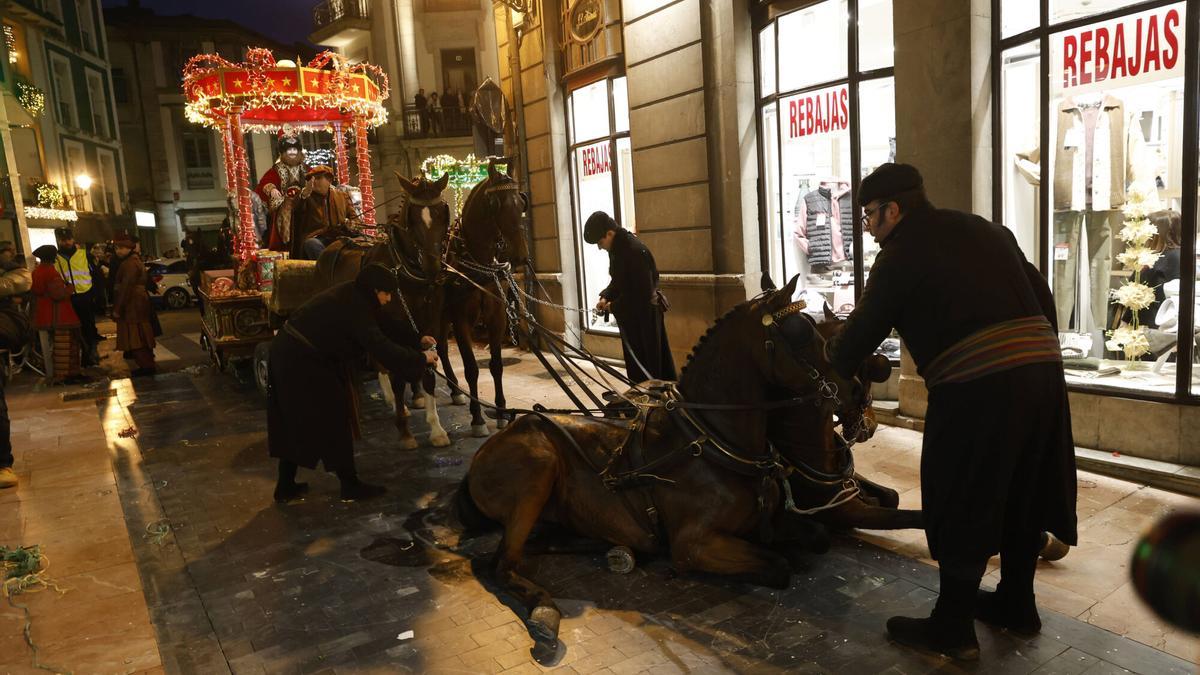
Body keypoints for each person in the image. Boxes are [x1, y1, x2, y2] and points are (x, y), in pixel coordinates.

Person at [824, 163, 1077, 661]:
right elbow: (1041, 298)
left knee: (965, 496)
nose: (870, 230)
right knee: (1022, 490)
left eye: (871, 217)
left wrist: (832, 363)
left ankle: (953, 629)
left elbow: (858, 337)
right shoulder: (988, 230)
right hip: (1044, 380)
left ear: (894, 209)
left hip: (977, 389)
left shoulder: (900, 254)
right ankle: (1016, 604)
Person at [267, 263, 437, 503]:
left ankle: (285, 486)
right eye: (387, 293)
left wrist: (417, 339)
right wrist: (421, 358)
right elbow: (381, 346)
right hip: (299, 360)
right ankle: (350, 485)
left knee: (300, 421)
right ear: (375, 290)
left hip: (298, 355)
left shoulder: (358, 295)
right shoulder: (355, 305)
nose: (389, 299)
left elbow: (385, 324)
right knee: (333, 417)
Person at [584, 211, 676, 381]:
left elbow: (641, 293)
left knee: (651, 366)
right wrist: (606, 297)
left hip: (646, 317)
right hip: (633, 318)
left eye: (600, 242)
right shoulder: (618, 249)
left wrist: (614, 306)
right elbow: (618, 281)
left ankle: (657, 402)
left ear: (610, 233)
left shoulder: (633, 250)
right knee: (636, 364)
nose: (599, 247)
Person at [31, 244, 85, 384]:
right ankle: (65, 375)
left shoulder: (37, 271)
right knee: (65, 345)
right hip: (59, 314)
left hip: (44, 313)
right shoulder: (50, 271)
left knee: (60, 344)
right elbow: (58, 294)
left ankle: (65, 374)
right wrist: (70, 289)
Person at [111, 233, 156, 377]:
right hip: (138, 301)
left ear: (129, 248)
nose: (118, 251)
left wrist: (117, 309)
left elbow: (126, 287)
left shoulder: (129, 264)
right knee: (140, 334)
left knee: (135, 335)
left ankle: (146, 365)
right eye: (117, 248)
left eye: (121, 248)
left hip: (132, 304)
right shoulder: (134, 261)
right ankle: (147, 364)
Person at [54, 227, 100, 366]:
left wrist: (96, 296)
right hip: (67, 299)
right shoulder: (55, 259)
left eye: (68, 239)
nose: (66, 242)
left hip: (85, 296)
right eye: (63, 240)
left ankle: (90, 354)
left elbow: (96, 276)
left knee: (88, 327)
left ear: (73, 239)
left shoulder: (84, 255)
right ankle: (77, 357)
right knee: (72, 330)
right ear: (58, 241)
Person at [255, 135, 309, 251]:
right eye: (289, 150)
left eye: (295, 149)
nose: (292, 152)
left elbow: (314, 176)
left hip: (305, 197)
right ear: (283, 152)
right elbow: (266, 181)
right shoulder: (277, 169)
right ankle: (285, 242)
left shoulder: (305, 168)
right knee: (286, 207)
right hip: (284, 198)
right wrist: (272, 189)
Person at [293, 165, 353, 260]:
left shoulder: (342, 196)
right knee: (311, 244)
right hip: (318, 238)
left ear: (329, 180)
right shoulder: (305, 197)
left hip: (340, 237)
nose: (312, 182)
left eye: (317, 178)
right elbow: (296, 212)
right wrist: (304, 195)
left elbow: (355, 218)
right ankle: (328, 271)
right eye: (310, 179)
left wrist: (351, 224)